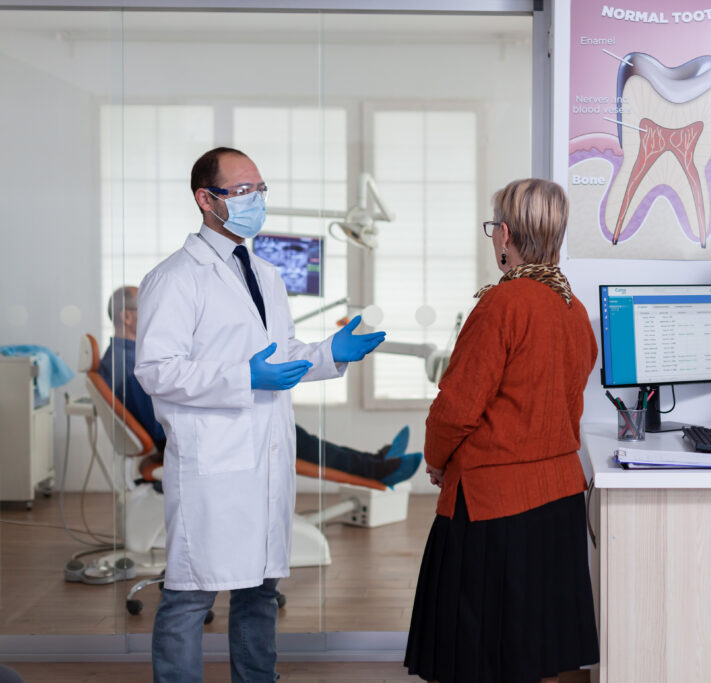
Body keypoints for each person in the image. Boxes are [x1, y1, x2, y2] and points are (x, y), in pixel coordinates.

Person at [135, 146, 386, 683]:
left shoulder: (266, 274)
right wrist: (244, 377)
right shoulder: (175, 278)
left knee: (260, 590)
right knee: (189, 595)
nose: (257, 200)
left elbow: (280, 353)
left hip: (263, 458)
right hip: (213, 464)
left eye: (260, 189)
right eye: (242, 190)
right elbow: (157, 370)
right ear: (207, 200)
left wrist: (329, 354)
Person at [404, 179, 599, 683]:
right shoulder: (574, 312)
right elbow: (567, 406)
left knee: (475, 654)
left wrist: (436, 458)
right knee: (531, 652)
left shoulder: (502, 305)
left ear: (506, 235)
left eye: (494, 229)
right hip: (556, 500)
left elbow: (457, 407)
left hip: (493, 504)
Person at [100, 285, 419, 485]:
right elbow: (162, 423)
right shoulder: (133, 365)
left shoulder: (125, 357)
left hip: (202, 430)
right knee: (288, 433)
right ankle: (377, 467)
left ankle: (376, 461)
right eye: (150, 309)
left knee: (293, 432)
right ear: (127, 317)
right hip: (195, 441)